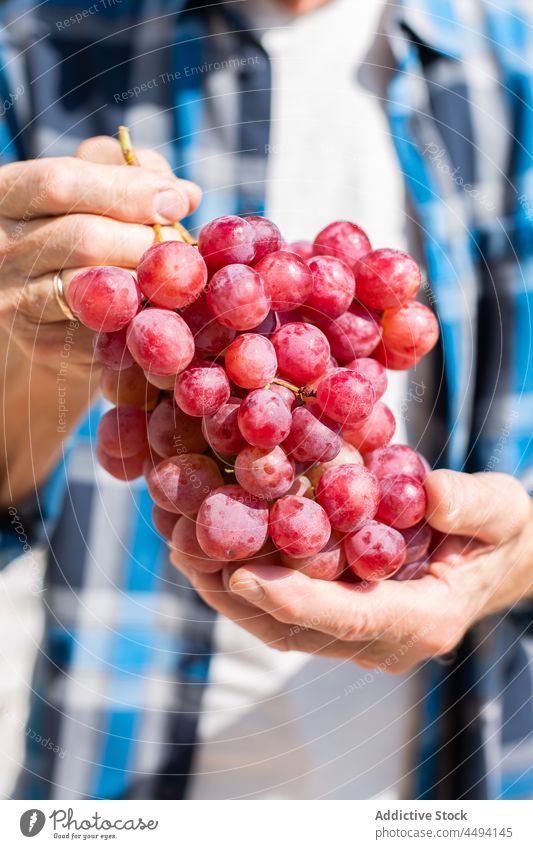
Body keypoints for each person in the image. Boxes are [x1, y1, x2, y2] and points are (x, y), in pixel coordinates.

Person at [0, 0, 532, 800]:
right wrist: (50, 353)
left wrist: (515, 561)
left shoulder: (515, 71)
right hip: (111, 783)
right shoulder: (31, 52)